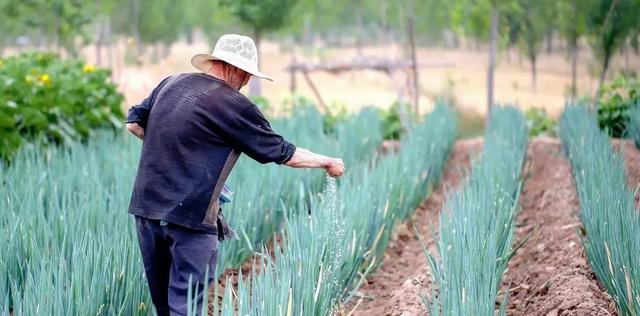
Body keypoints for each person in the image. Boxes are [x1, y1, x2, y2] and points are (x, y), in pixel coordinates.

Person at [125, 34, 345, 315]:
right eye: (247, 76)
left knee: (164, 307)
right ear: (237, 69)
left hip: (147, 210)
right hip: (191, 219)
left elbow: (134, 123)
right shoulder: (232, 104)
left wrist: (175, 152)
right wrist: (326, 162)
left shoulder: (171, 83)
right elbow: (282, 152)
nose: (245, 83)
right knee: (186, 306)